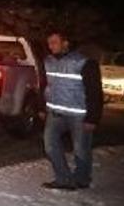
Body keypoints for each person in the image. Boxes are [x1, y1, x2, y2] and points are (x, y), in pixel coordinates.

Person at [41, 30, 103, 190]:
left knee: (81, 150)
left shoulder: (84, 63)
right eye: (49, 43)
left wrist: (92, 118)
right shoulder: (48, 61)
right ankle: (63, 179)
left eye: (54, 42)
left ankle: (82, 179)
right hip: (55, 113)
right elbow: (46, 86)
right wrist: (42, 107)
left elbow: (95, 92)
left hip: (78, 115)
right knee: (49, 146)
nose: (50, 46)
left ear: (65, 43)